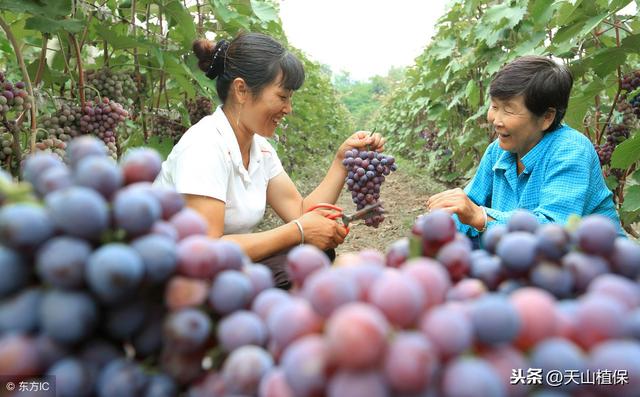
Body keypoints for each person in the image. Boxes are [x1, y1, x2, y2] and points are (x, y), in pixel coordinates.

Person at [154, 32, 385, 287]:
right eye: (282, 96)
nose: (288, 108)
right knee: (314, 267)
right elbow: (206, 251)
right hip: (184, 284)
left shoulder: (260, 150)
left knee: (317, 257)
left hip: (226, 271)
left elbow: (299, 211)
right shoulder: (204, 146)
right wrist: (298, 231)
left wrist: (342, 160)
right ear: (241, 90)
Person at [426, 55, 625, 240]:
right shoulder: (497, 151)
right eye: (494, 106)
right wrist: (440, 225)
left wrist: (481, 217)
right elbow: (467, 207)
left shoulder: (571, 150)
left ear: (547, 117)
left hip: (594, 266)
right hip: (530, 265)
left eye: (509, 110)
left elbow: (553, 232)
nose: (495, 120)